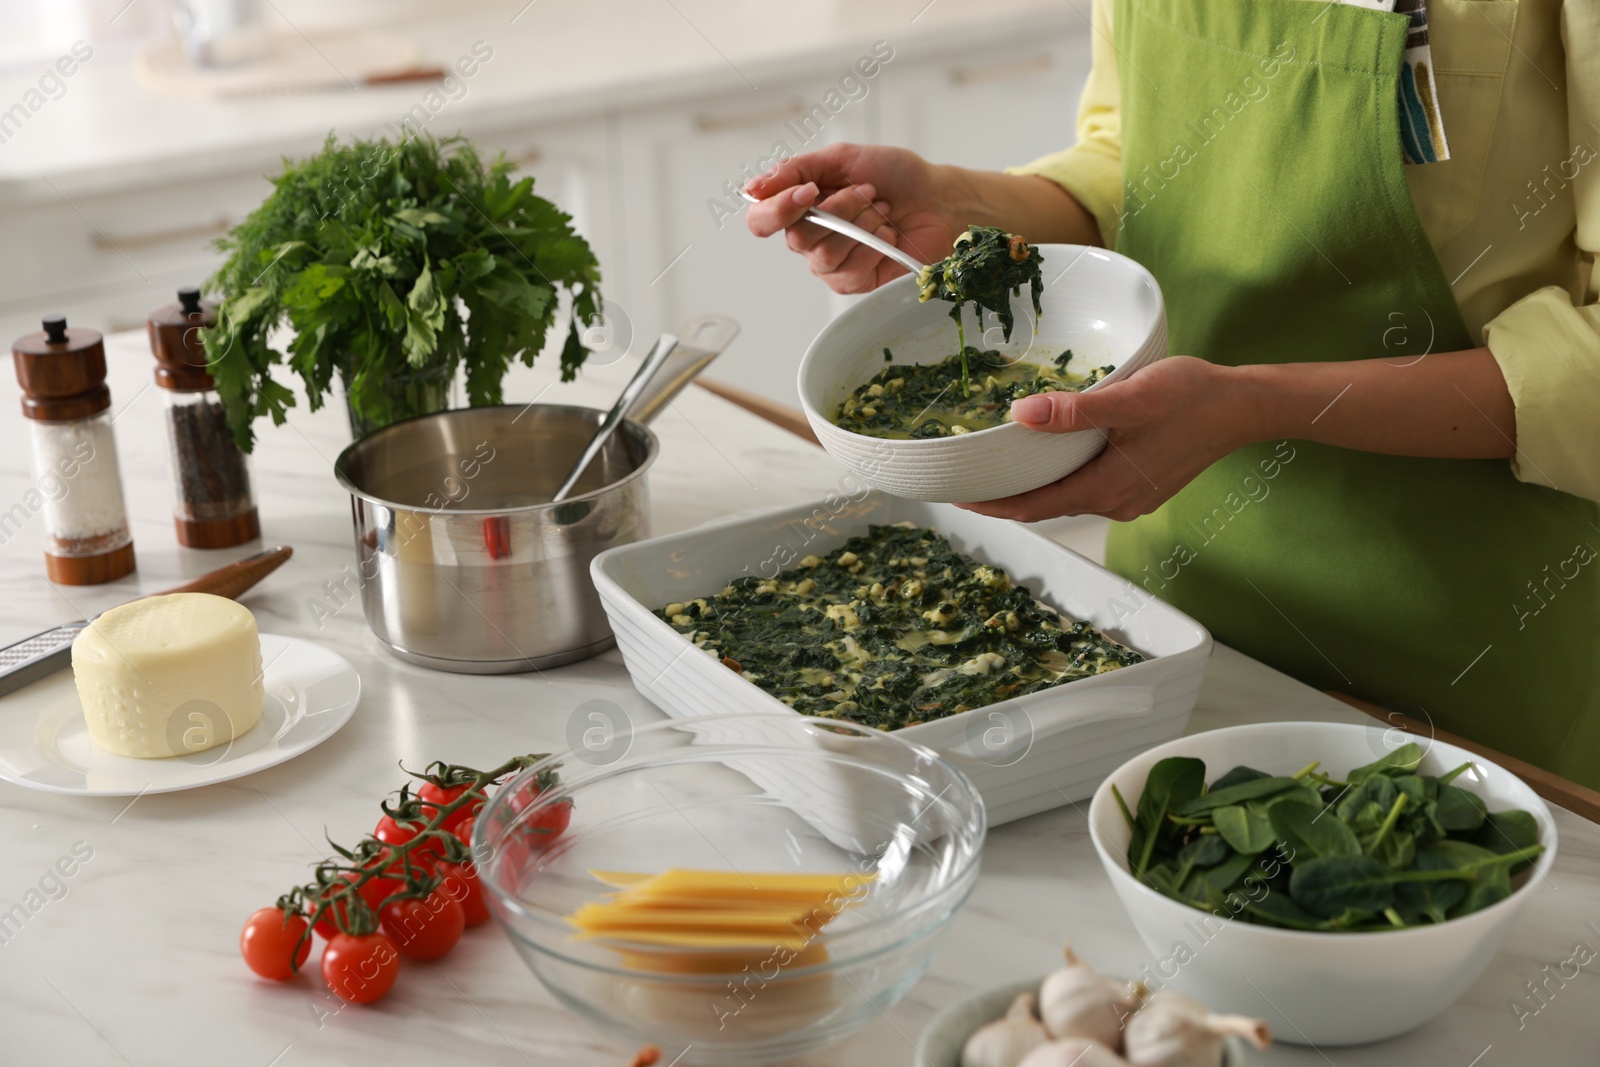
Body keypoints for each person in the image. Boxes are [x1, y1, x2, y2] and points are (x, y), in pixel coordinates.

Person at [745, 0, 1600, 789]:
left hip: (1483, 642)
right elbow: (1140, 160)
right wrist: (964, 202)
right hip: (1176, 611)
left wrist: (1255, 404)